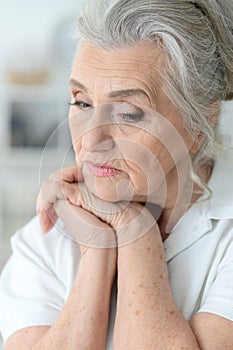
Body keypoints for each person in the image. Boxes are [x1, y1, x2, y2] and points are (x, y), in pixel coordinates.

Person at [1, 0, 233, 349]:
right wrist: (98, 251)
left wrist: (134, 233)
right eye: (81, 102)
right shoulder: (45, 238)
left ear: (201, 122)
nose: (91, 140)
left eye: (128, 113)